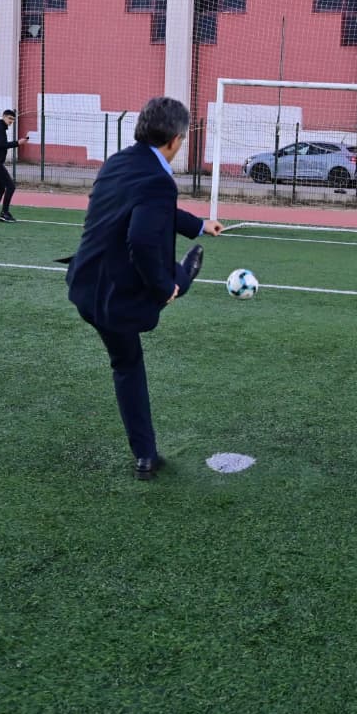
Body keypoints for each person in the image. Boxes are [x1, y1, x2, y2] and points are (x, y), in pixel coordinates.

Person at [62, 97, 223, 479]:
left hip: (86, 285)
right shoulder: (158, 179)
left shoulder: (118, 162)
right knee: (174, 280)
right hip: (118, 295)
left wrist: (199, 225)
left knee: (127, 364)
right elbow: (141, 239)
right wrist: (165, 287)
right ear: (175, 140)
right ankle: (183, 277)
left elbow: (152, 209)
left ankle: (145, 457)